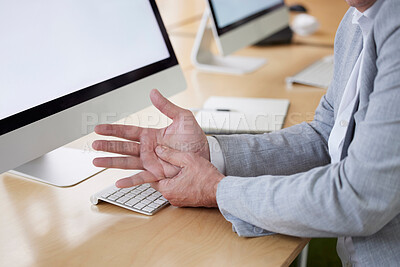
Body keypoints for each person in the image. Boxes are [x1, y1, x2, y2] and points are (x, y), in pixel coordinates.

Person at [92, 0, 400, 265]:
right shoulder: (357, 21)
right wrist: (210, 154)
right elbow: (326, 135)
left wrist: (216, 190)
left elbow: (359, 196)